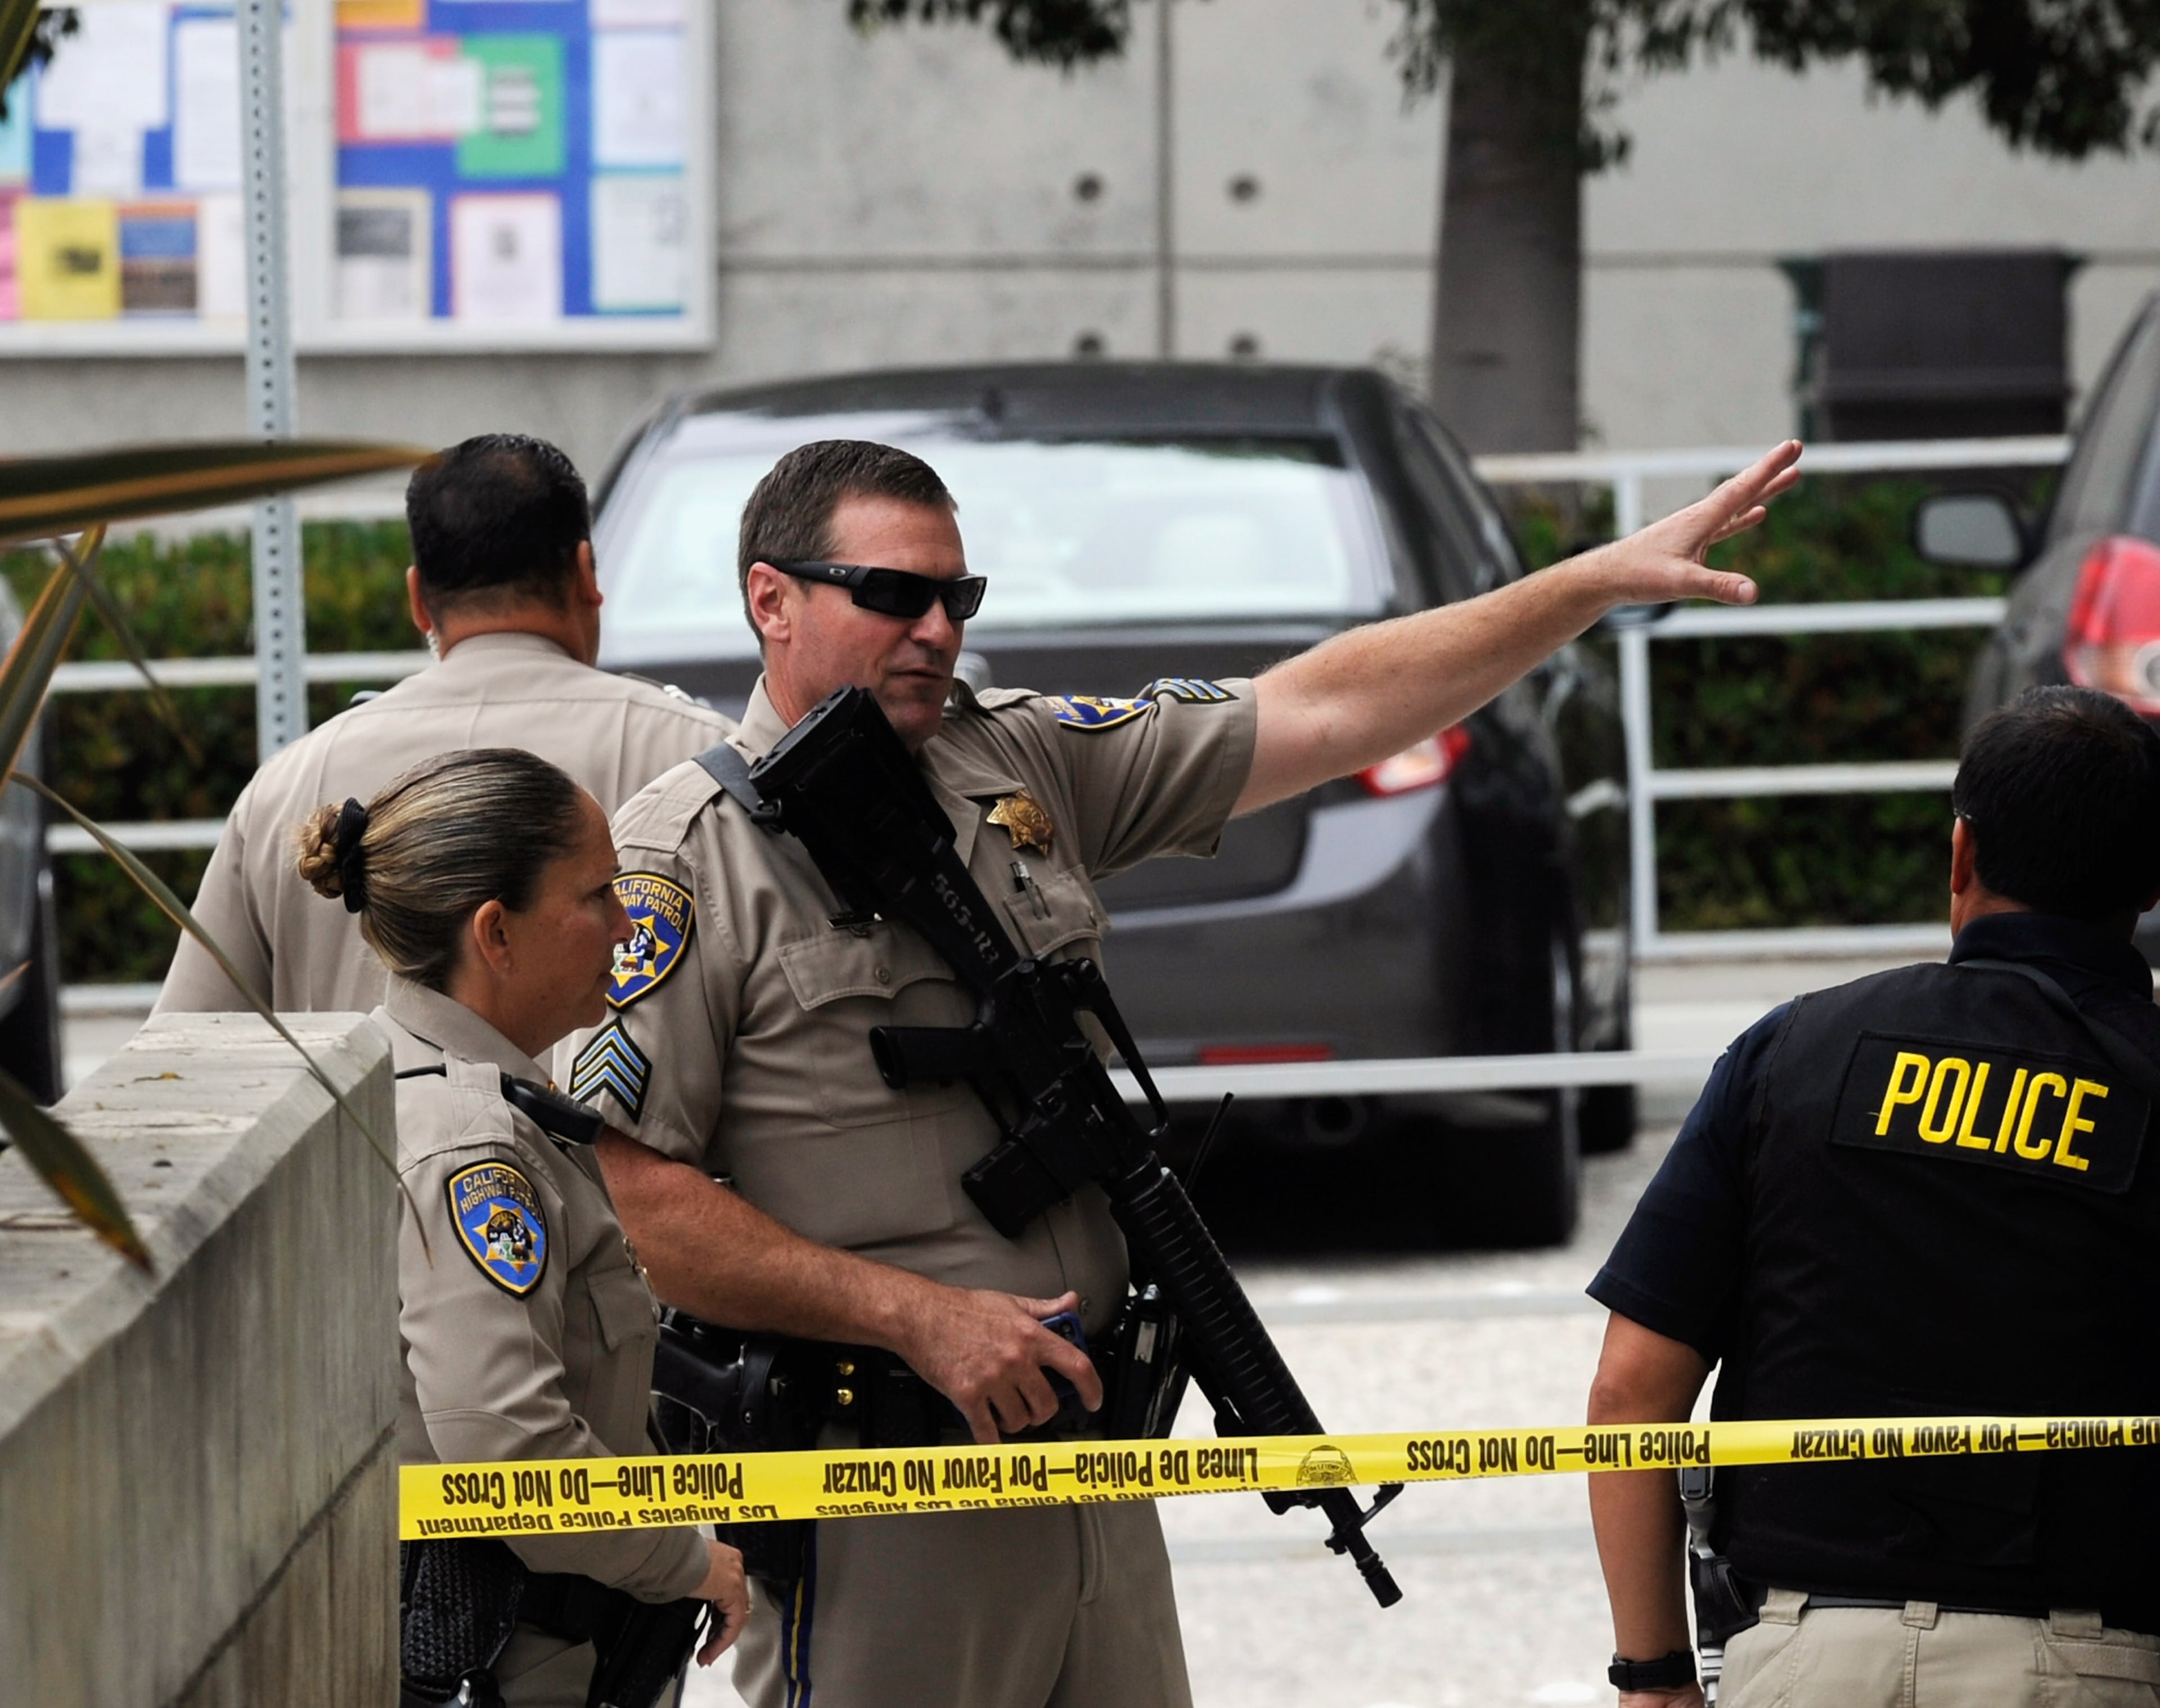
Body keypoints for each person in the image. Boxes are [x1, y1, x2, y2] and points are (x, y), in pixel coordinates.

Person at [561, 434, 1803, 1708]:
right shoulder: (688, 854)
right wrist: (913, 1316)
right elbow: (623, 1195)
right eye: (894, 594)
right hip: (886, 1492)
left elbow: (1323, 706)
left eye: (959, 596)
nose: (935, 628)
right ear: (771, 598)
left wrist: (1582, 585)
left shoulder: (1016, 764)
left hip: (1093, 1470)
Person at [1585, 685, 2160, 1708]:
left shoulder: (1792, 1050)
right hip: (2091, 1665)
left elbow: (1632, 1391)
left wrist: (1655, 1672)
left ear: (1961, 855)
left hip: (1804, 1656)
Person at [296, 747, 748, 1707]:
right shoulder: (470, 1147)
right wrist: (688, 1560)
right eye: (598, 896)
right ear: (495, 935)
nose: (629, 926)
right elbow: (514, 1455)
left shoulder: (442, 1088)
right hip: (519, 1663)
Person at [156, 432, 733, 1017]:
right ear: (586, 572)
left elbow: (186, 1055)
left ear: (418, 600)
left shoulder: (287, 787)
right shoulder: (703, 758)